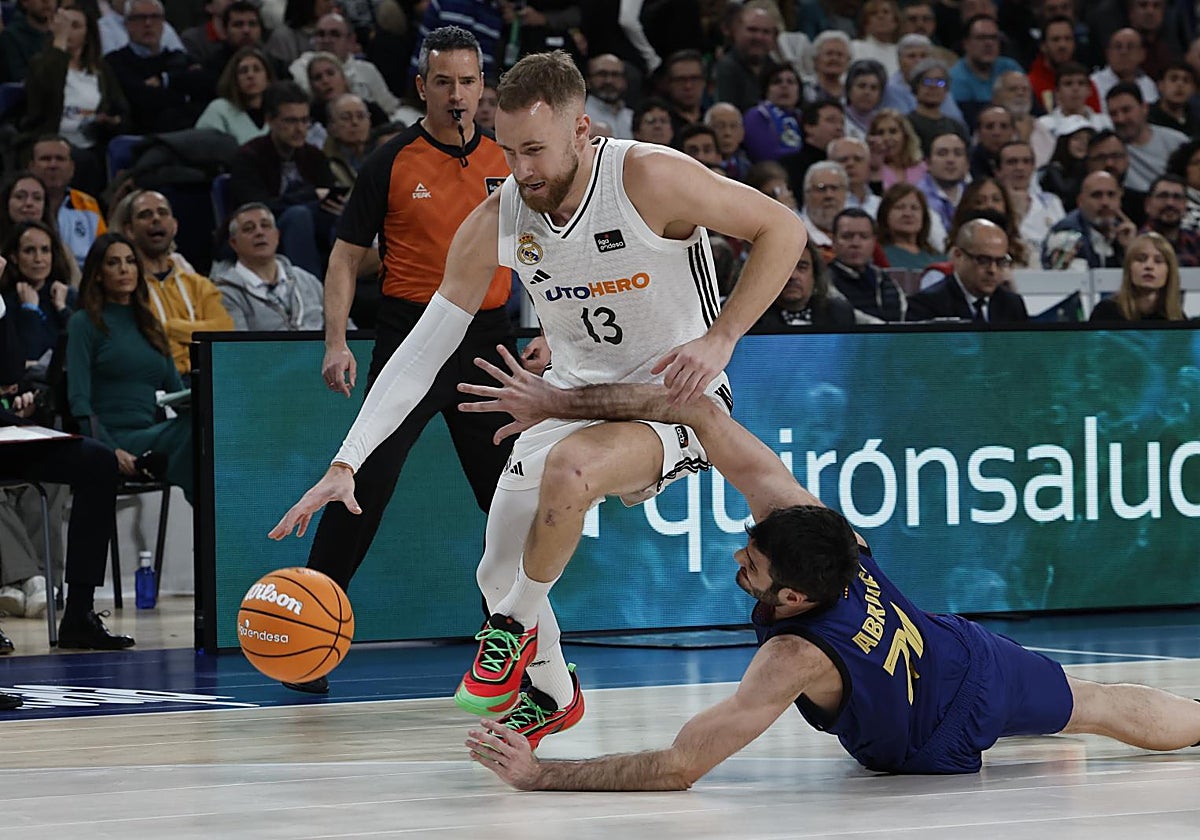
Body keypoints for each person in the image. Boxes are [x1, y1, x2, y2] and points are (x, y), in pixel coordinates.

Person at [270, 49, 807, 742]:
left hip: (677, 401)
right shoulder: (502, 214)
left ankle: (510, 630)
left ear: (582, 130)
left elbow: (783, 229)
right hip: (572, 398)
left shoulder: (648, 176)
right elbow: (423, 349)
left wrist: (723, 337)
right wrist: (346, 460)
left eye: (535, 151)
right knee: (497, 567)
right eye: (509, 151)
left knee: (568, 475)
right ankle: (553, 692)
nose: (521, 170)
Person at [459, 347, 1200, 789]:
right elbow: (706, 418)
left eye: (750, 566)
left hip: (932, 733)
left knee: (1094, 712)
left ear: (793, 595)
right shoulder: (817, 528)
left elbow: (681, 764)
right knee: (1096, 704)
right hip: (960, 654)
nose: (736, 557)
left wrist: (542, 775)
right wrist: (560, 399)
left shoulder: (791, 656)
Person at [263, 27, 517, 694]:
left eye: (468, 82)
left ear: (482, 84)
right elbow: (345, 257)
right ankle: (303, 645)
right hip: (410, 336)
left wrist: (546, 331)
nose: (458, 94)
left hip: (490, 345)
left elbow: (541, 252)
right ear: (422, 87)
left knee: (510, 501)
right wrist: (336, 341)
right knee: (358, 493)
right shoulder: (391, 160)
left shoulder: (509, 157)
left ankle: (507, 649)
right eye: (444, 83)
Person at [67, 233, 193, 503]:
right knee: (196, 436)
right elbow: (79, 401)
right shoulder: (84, 323)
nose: (124, 269)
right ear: (98, 274)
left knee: (206, 426)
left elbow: (178, 392)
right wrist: (109, 450)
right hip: (115, 439)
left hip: (153, 434)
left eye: (130, 261)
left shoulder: (150, 325)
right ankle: (213, 528)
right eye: (113, 263)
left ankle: (212, 524)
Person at [228, 81, 341, 277]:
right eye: (290, 121)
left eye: (304, 120)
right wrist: (310, 195)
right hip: (265, 228)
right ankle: (309, 295)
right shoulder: (248, 157)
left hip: (317, 227)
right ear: (270, 121)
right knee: (299, 215)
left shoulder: (315, 156)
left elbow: (327, 195)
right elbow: (258, 207)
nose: (299, 129)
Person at [118, 189, 234, 375]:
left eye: (162, 213)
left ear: (174, 226)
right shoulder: (125, 287)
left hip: (205, 380)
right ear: (130, 230)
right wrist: (194, 337)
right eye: (145, 215)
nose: (156, 219)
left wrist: (169, 328)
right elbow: (135, 343)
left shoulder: (199, 285)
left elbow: (224, 332)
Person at [20, 3, 128, 195]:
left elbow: (122, 111)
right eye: (64, 25)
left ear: (88, 33)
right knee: (82, 161)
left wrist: (111, 120)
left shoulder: (101, 70)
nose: (68, 31)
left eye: (75, 26)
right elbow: (46, 93)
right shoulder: (41, 64)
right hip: (51, 143)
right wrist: (59, 42)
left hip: (92, 144)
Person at [209, 202, 326, 330]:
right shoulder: (225, 292)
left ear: (277, 235)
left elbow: (345, 329)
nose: (259, 232)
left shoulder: (308, 281)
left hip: (321, 350)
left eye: (265, 225)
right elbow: (239, 348)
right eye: (248, 229)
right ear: (234, 243)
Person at [106, 0, 211, 134]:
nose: (148, 24)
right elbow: (141, 101)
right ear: (127, 24)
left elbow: (207, 86)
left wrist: (165, 81)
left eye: (155, 17)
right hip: (144, 136)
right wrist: (185, 95)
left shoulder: (180, 57)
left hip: (188, 135)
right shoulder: (115, 61)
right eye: (140, 18)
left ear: (163, 24)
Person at [907, 218, 1028, 322]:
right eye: (983, 260)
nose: (993, 270)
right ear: (958, 256)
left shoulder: (1012, 305)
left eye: (1000, 262)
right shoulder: (926, 305)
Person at [0, 220, 76, 370]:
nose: (38, 259)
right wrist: (30, 311)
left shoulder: (68, 296)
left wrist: (62, 309)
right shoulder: (4, 303)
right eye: (29, 251)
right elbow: (28, 357)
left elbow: (86, 345)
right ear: (14, 256)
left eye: (45, 250)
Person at [26, 136, 107, 271]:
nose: (53, 165)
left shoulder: (88, 205)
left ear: (72, 168)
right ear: (31, 167)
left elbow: (104, 253)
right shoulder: (19, 204)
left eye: (60, 159)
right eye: (45, 159)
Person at [1105, 83, 1189, 195]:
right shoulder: (1107, 149)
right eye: (1113, 114)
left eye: (1126, 110)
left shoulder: (1177, 141)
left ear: (1144, 108)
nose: (1120, 119)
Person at [1042, 170, 1137, 269]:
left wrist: (1130, 249)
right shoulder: (1067, 233)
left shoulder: (1123, 232)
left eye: (1111, 195)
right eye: (1096, 195)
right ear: (1080, 201)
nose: (1105, 202)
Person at [752, 241, 856, 329]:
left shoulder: (838, 312)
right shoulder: (753, 318)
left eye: (802, 267)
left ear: (815, 275)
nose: (792, 276)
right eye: (783, 267)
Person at [828, 207, 906, 322]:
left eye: (864, 236)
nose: (856, 243)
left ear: (874, 241)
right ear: (833, 241)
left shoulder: (885, 280)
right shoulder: (824, 281)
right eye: (847, 236)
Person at [1089, 231, 1185, 322]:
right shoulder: (1105, 312)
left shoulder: (1177, 318)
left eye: (1158, 261)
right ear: (1128, 268)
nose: (1149, 266)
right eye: (1141, 259)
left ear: (1169, 271)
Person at [996, 140, 1065, 257]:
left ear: (1033, 167)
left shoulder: (1052, 202)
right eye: (1012, 162)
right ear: (998, 170)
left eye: (1026, 161)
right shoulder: (991, 203)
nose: (1019, 167)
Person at [194, 45, 273, 144]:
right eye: (243, 71)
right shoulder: (219, 109)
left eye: (257, 69)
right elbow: (203, 146)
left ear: (268, 79)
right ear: (234, 79)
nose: (250, 75)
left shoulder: (278, 111)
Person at [742, 61, 805, 163]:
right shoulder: (756, 115)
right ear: (766, 90)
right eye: (777, 82)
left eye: (791, 82)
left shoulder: (804, 117)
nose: (784, 86)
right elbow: (763, 154)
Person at [904, 59, 968, 158]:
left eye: (940, 82)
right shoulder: (905, 124)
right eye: (927, 81)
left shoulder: (956, 127)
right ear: (915, 87)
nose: (933, 86)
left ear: (946, 89)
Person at [877, 182, 943, 270]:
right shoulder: (877, 256)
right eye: (899, 207)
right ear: (885, 214)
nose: (908, 214)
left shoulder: (940, 259)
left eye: (914, 208)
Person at [1138, 175, 1200, 267]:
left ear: (1185, 205)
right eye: (1163, 196)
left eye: (1177, 197)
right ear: (1148, 204)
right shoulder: (1136, 243)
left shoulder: (1195, 241)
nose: (1170, 203)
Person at [868, 109, 925, 189]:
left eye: (893, 131)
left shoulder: (922, 168)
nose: (886, 138)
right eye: (880, 133)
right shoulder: (871, 170)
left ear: (905, 135)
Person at [584, 54, 634, 141]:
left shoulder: (632, 118)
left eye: (615, 75)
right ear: (588, 81)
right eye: (602, 74)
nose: (609, 80)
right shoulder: (579, 116)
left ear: (624, 81)